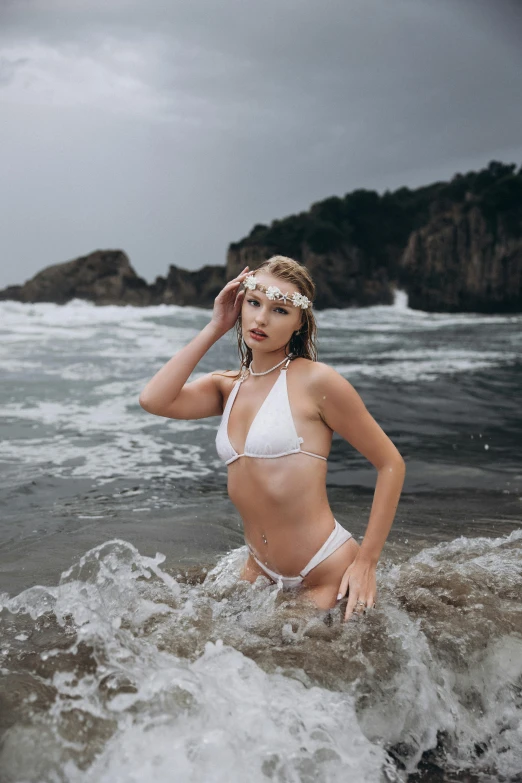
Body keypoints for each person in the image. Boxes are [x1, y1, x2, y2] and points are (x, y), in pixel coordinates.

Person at [139, 255, 405, 621]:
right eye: (254, 303)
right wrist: (216, 325)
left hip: (324, 569)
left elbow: (390, 463)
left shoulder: (316, 382)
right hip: (259, 570)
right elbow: (153, 400)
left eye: (280, 310)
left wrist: (367, 563)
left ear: (299, 322)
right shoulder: (226, 387)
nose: (261, 318)